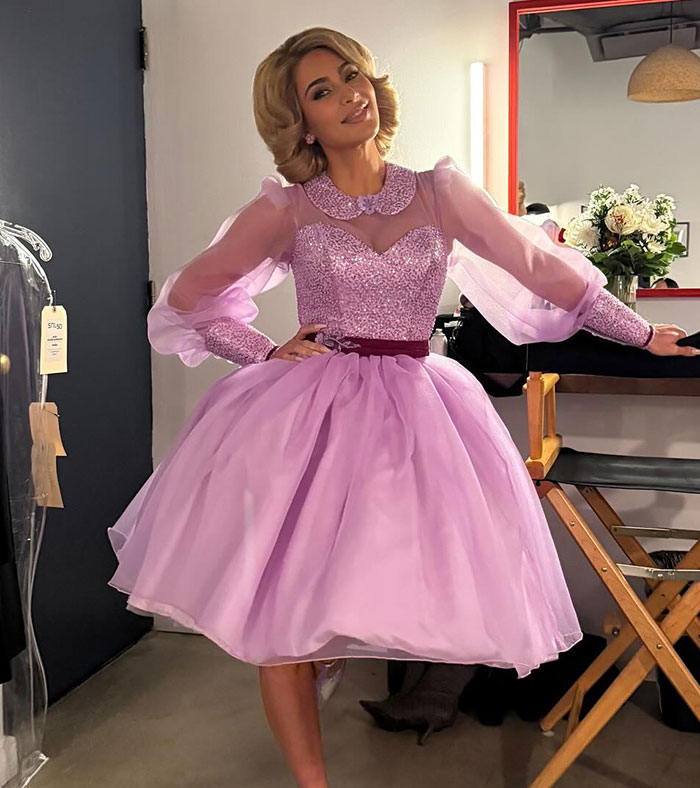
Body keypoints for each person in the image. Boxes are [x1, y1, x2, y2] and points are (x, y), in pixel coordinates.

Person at [105, 26, 699, 788]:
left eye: (350, 74)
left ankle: (329, 652)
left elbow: (545, 271)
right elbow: (188, 300)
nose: (347, 93)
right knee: (282, 615)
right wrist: (263, 352)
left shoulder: (439, 191)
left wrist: (642, 331)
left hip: (418, 410)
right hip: (309, 419)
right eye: (320, 91)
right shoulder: (286, 210)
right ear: (300, 122)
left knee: (368, 583)